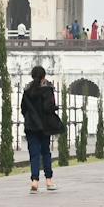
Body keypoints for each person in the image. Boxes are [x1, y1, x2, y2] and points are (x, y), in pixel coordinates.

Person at [20, 65, 61, 193]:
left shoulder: (27, 90)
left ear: (32, 76)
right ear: (44, 76)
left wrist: (31, 118)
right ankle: (48, 181)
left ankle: (35, 181)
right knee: (45, 152)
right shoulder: (48, 89)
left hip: (31, 126)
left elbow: (23, 109)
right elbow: (49, 107)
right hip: (44, 126)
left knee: (34, 154)